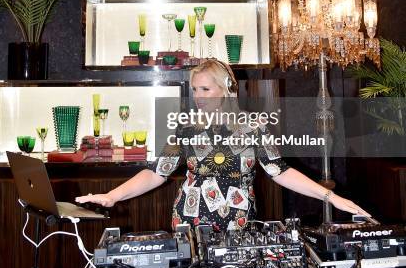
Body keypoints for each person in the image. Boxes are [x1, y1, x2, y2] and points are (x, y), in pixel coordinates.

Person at [76, 59, 370, 228]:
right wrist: (112, 196)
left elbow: (280, 172)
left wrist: (329, 197)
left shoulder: (255, 127)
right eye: (195, 89)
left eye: (205, 88)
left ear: (227, 88)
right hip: (188, 223)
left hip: (238, 225)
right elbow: (156, 173)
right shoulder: (186, 128)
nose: (198, 96)